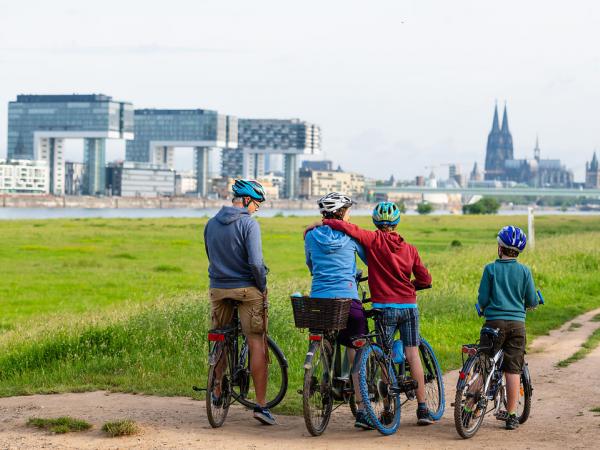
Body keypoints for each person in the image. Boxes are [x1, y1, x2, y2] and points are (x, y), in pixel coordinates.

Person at [319, 201, 436, 425]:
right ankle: (422, 409)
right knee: (412, 355)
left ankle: (387, 410)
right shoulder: (410, 249)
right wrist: (413, 286)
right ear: (397, 222)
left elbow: (351, 229)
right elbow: (425, 279)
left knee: (385, 357)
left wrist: (328, 221)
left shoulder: (373, 241)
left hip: (384, 308)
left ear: (375, 222)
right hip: (409, 307)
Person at [203, 179, 276, 425]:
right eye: (257, 203)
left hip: (218, 289)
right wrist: (262, 286)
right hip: (246, 290)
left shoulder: (211, 224)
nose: (257, 208)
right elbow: (256, 263)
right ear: (246, 201)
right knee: (256, 341)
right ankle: (262, 406)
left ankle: (216, 391)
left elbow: (210, 256)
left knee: (220, 337)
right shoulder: (249, 224)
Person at [304, 192, 371, 429]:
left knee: (324, 335)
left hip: (320, 301)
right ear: (343, 212)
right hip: (348, 299)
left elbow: (311, 265)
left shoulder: (311, 236)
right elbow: (368, 258)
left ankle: (323, 376)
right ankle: (362, 408)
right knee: (358, 347)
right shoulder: (350, 235)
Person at [477, 225, 537, 430]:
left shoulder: (490, 269)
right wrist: (533, 302)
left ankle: (469, 408)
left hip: (493, 323)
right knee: (513, 370)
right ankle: (511, 415)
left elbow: (483, 298)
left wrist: (482, 307)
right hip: (517, 326)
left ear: (499, 248)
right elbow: (530, 299)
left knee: (484, 363)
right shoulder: (524, 271)